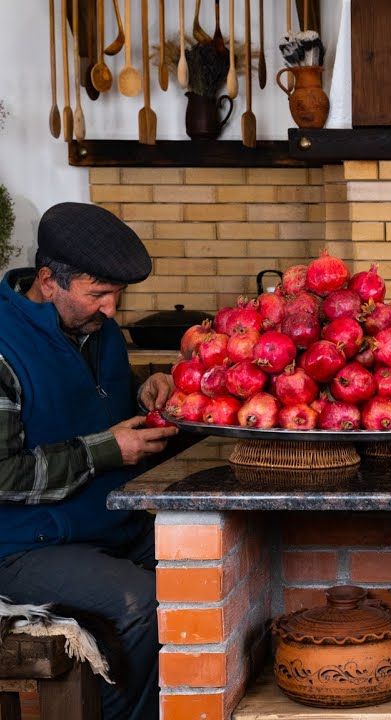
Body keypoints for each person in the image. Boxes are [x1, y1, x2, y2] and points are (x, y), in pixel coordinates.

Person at [0, 202, 179, 720]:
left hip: (106, 526)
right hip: (19, 546)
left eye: (117, 294)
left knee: (210, 560)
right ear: (49, 280)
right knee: (141, 602)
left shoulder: (97, 332)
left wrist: (150, 389)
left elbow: (93, 409)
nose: (111, 310)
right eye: (98, 293)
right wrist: (106, 449)